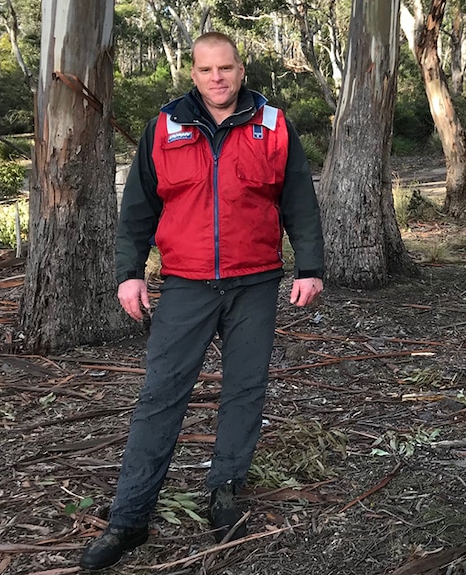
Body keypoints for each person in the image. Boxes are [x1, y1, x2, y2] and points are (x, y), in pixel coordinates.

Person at [79, 32, 324, 571]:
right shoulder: (164, 127)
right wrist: (129, 274)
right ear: (193, 74)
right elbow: (138, 209)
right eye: (207, 69)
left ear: (242, 69)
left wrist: (310, 266)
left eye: (227, 68)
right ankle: (130, 517)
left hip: (255, 281)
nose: (218, 78)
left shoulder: (273, 126)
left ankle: (225, 491)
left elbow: (299, 199)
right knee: (161, 395)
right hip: (186, 284)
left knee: (244, 390)